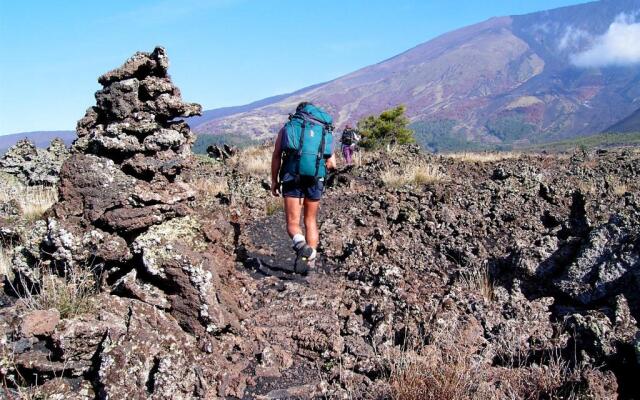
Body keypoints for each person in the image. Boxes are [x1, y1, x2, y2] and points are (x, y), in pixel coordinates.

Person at [271, 102, 336, 274]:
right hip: (316, 177)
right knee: (311, 221)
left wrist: (274, 181)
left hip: (292, 176)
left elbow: (276, 155)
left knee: (293, 223)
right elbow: (332, 163)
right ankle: (311, 263)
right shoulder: (324, 130)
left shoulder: (289, 127)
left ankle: (301, 246)